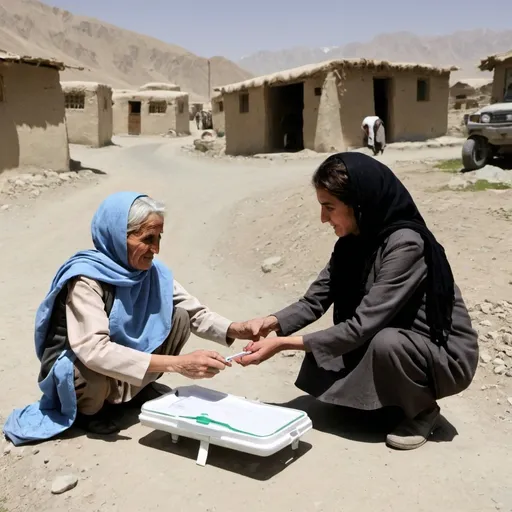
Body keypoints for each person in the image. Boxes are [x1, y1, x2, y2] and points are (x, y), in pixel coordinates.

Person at [236, 153, 479, 450]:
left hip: (442, 354)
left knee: (380, 342)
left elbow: (363, 326)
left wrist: (284, 344)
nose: (323, 218)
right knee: (328, 347)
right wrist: (271, 323)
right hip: (395, 338)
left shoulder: (405, 244)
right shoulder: (351, 243)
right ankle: (388, 401)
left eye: (330, 208)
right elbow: (316, 299)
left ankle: (423, 411)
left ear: (359, 203)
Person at [3, 192, 256, 446]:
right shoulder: (87, 279)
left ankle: (136, 391)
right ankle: (89, 412)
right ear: (118, 237)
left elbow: (193, 312)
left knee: (177, 317)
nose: (155, 249)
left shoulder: (152, 272)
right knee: (84, 365)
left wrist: (238, 329)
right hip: (86, 369)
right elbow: (95, 350)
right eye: (147, 239)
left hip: (121, 362)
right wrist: (177, 364)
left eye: (158, 238)